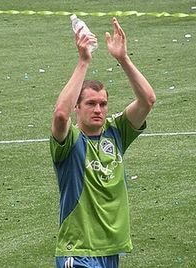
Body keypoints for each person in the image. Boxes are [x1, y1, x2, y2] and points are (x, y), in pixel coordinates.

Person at [50, 17, 156, 268]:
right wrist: (84, 61)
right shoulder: (70, 141)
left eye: (103, 104)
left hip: (111, 250)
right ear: (78, 107)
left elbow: (147, 100)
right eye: (90, 103)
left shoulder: (116, 131)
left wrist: (123, 59)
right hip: (78, 251)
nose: (98, 109)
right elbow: (60, 115)